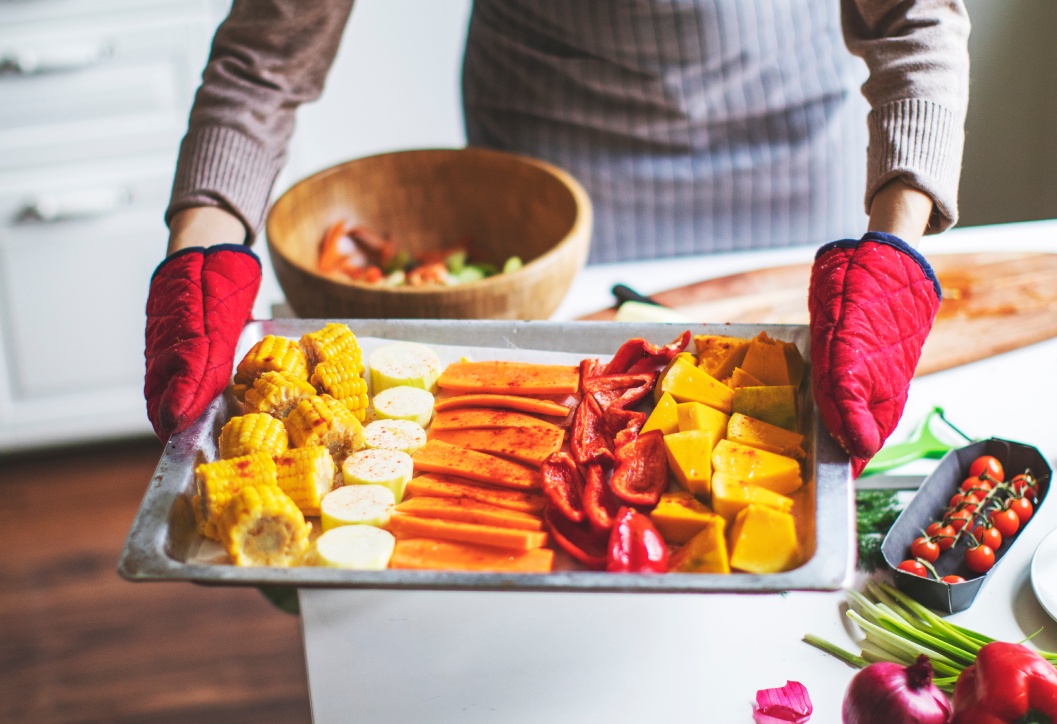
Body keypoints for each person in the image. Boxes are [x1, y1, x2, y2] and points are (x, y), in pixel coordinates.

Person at [145, 0, 969, 472]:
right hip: (551, 142)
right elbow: (265, 61)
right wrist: (200, 254)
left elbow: (916, 15)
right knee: (558, 451)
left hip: (791, 130)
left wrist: (894, 251)